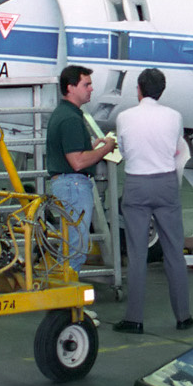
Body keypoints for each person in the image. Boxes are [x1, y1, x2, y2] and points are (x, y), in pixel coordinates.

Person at [113, 68, 193, 334]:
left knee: (137, 255)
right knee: (174, 253)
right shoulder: (174, 116)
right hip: (166, 184)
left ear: (138, 89)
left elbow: (123, 151)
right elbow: (176, 148)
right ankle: (183, 317)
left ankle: (134, 319)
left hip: (137, 184)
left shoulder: (124, 117)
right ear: (162, 90)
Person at [45, 65, 115, 271]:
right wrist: (106, 149)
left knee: (71, 243)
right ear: (71, 87)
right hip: (74, 184)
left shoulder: (65, 114)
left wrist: (91, 147)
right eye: (87, 84)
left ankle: (63, 290)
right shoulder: (70, 119)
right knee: (76, 246)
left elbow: (71, 154)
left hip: (66, 183)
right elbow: (78, 162)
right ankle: (66, 293)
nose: (91, 89)